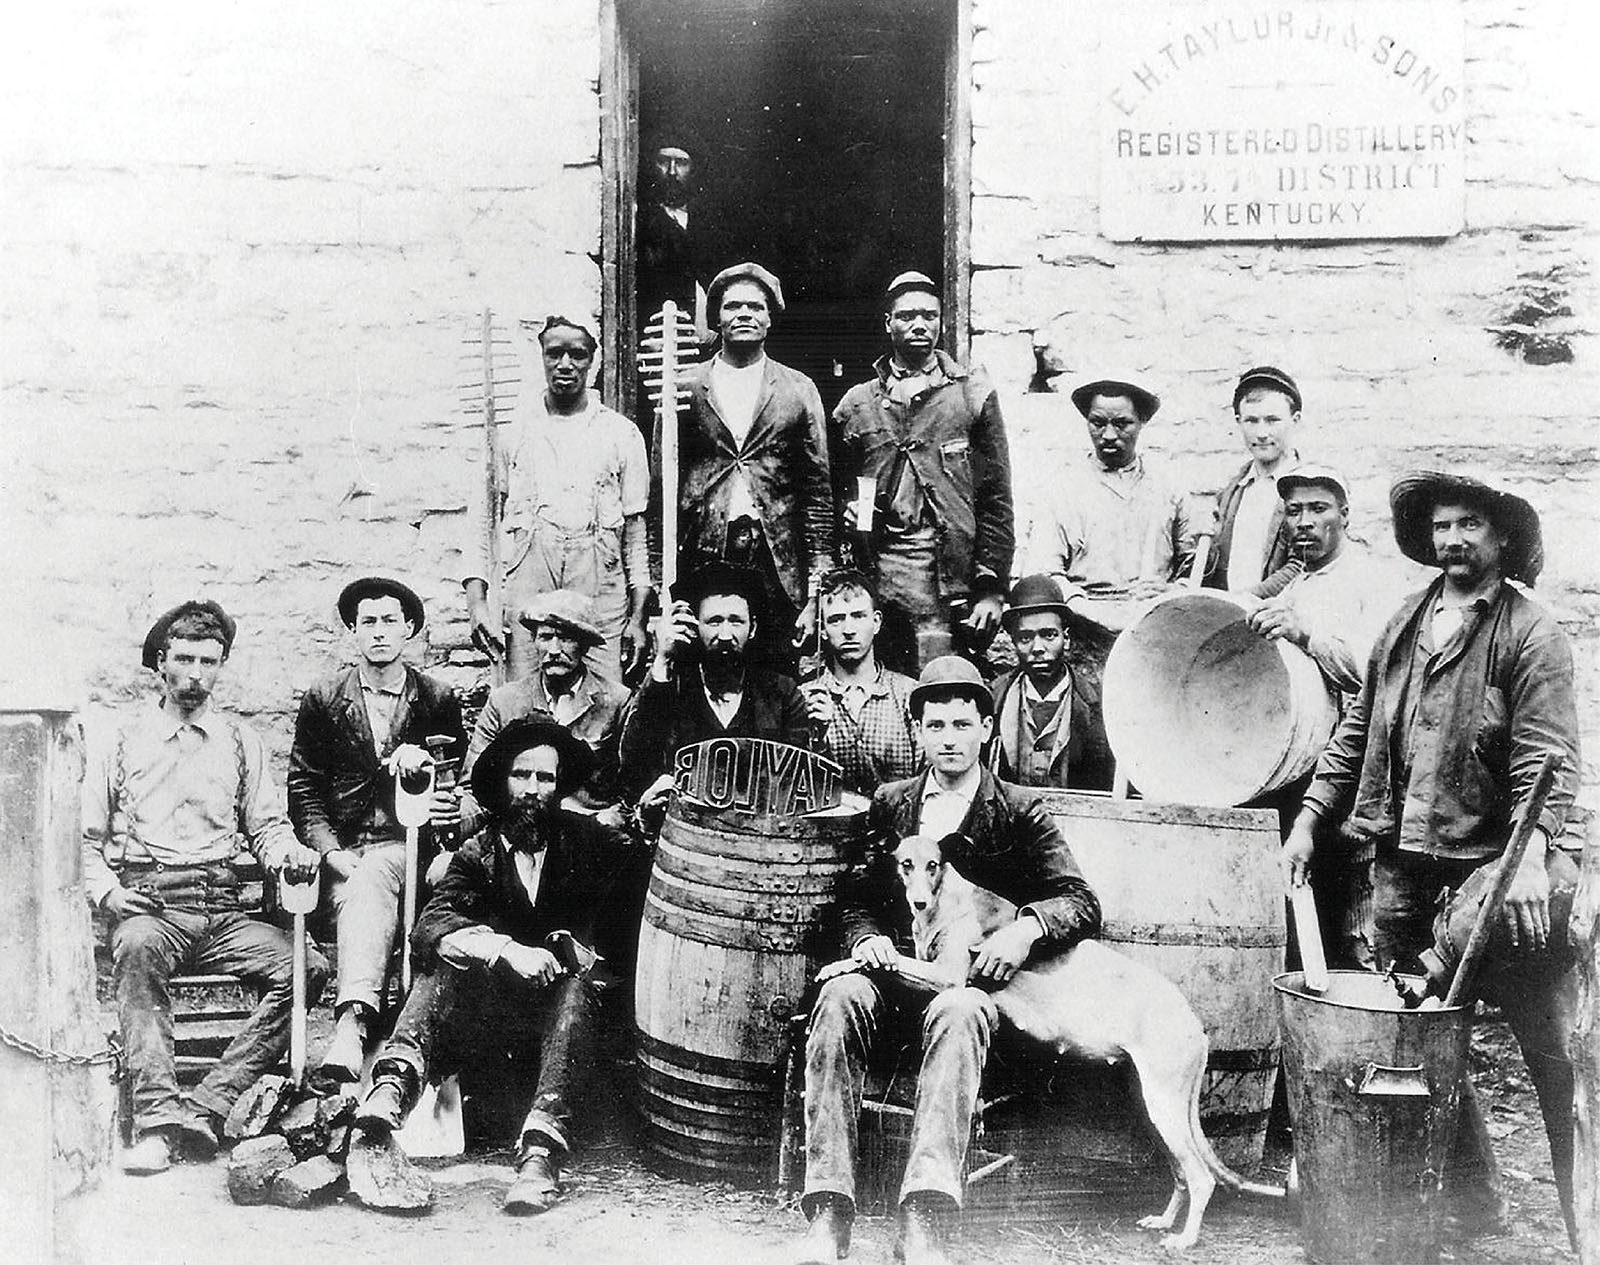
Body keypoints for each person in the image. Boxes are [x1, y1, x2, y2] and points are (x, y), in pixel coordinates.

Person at [1283, 471, 1582, 1241]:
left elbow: (1548, 761)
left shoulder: (1532, 633)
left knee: (1554, 1050)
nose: (1453, 540)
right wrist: (1313, 816)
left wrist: (1527, 858)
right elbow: (1359, 725)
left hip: (1498, 875)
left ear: (1504, 537)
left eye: (1470, 525)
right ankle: (1474, 1200)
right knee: (1419, 1035)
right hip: (1404, 867)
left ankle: (1587, 1218)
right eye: (1443, 526)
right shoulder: (1407, 620)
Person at [793, 656, 1101, 1265]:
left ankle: (924, 1214)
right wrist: (864, 942)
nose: (949, 740)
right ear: (918, 732)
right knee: (838, 996)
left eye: (963, 725)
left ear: (987, 727)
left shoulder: (1018, 809)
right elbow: (850, 899)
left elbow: (1081, 902)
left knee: (960, 1008)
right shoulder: (890, 803)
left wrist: (1024, 930)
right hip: (891, 976)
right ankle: (829, 1209)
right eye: (936, 727)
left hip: (972, 992)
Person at [354, 718, 645, 1215]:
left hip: (567, 1042)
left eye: (546, 779)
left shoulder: (590, 844)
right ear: (502, 783)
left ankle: (541, 1158)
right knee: (442, 968)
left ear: (560, 788)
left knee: (576, 989)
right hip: (491, 1039)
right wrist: (505, 949)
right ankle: (389, 1093)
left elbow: (636, 900)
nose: (533, 790)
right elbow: (431, 928)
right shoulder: (478, 853)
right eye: (521, 776)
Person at [82, 601, 326, 1175]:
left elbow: (266, 827)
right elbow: (87, 840)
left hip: (222, 908)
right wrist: (110, 895)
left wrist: (291, 855)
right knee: (136, 952)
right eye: (185, 659)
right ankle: (158, 1125)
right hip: (153, 906)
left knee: (307, 968)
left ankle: (209, 1105)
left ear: (221, 667)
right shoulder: (122, 741)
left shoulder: (242, 742)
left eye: (209, 662)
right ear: (160, 664)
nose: (196, 672)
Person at [287, 577, 465, 1088]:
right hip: (344, 853)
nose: (379, 633)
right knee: (362, 880)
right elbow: (303, 787)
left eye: (390, 621)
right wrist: (329, 851)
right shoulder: (325, 697)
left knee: (374, 877)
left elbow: (453, 787)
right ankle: (361, 1021)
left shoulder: (435, 697)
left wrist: (424, 768)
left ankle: (352, 1025)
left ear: (409, 629)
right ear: (353, 630)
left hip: (407, 849)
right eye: (369, 622)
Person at [1244, 469, 1399, 969]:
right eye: (1294, 512)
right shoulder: (1295, 586)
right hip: (1300, 770)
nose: (1305, 522)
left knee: (1354, 911)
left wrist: (1306, 634)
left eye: (1318, 509)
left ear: (1345, 516)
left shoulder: (1370, 581)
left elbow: (1378, 675)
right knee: (1303, 899)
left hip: (1356, 772)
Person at [831, 272, 1013, 674]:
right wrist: (849, 518)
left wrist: (992, 588)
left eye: (929, 316)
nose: (919, 325)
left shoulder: (970, 394)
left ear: (941, 323)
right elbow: (832, 495)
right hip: (881, 578)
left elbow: (996, 499)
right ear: (887, 323)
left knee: (945, 693)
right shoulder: (857, 404)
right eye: (907, 316)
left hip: (950, 582)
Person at [654, 261, 833, 670]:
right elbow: (661, 488)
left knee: (774, 673)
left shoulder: (797, 389)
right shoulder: (683, 385)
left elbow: (818, 496)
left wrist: (816, 592)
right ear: (716, 317)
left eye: (756, 306)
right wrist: (658, 586)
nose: (745, 315)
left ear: (770, 318)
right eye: (733, 306)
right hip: (703, 552)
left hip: (776, 559)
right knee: (700, 669)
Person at [465, 315, 653, 686]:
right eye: (555, 353)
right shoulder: (513, 433)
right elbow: (480, 524)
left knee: (602, 697)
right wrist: (477, 606)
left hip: (601, 588)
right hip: (530, 584)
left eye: (577, 354)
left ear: (593, 360)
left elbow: (635, 534)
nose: (565, 364)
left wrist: (638, 618)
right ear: (542, 356)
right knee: (525, 700)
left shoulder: (620, 433)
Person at [618, 560, 810, 812]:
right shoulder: (672, 685)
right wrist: (662, 660)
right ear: (696, 627)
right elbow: (634, 769)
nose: (726, 635)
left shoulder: (782, 693)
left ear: (752, 628)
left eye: (736, 621)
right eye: (714, 621)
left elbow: (795, 782)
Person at [458, 590, 631, 832]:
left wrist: (609, 820)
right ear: (534, 642)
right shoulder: (504, 702)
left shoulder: (616, 701)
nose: (554, 649)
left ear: (584, 646)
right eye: (545, 637)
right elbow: (474, 788)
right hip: (520, 829)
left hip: (590, 835)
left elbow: (634, 787)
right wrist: (455, 818)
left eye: (567, 638)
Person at [1019, 372, 1196, 595]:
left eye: (1122, 424)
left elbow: (1195, 566)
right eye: (1098, 423)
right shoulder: (1061, 490)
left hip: (1154, 615)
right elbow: (1044, 572)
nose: (1109, 435)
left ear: (1142, 422)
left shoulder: (1168, 487)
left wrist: (1171, 591)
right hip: (1085, 615)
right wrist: (1080, 605)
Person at [799, 568, 920, 795]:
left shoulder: (910, 695)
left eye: (858, 616)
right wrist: (817, 738)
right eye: (836, 620)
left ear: (876, 622)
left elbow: (928, 780)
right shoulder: (804, 698)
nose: (848, 630)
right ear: (823, 630)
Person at [988, 574, 1114, 791]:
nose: (1037, 648)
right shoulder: (995, 699)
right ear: (1014, 642)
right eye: (1025, 637)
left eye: (1048, 635)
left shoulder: (1098, 706)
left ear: (1066, 638)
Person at [1207, 366, 1305, 594]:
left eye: (1272, 420)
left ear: (1295, 420)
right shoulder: (1233, 489)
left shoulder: (1309, 488)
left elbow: (1301, 565)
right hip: (1234, 617)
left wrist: (1248, 600)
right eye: (1252, 421)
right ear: (1239, 422)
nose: (1261, 433)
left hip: (1278, 616)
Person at [636, 132, 709, 334]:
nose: (671, 172)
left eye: (681, 163)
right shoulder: (640, 220)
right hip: (657, 334)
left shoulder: (708, 221)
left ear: (694, 168)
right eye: (663, 161)